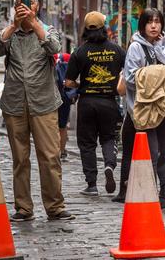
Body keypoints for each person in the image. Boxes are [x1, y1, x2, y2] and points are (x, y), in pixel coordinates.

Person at [0, 0, 74, 221]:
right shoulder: (10, 34)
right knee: (20, 159)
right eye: (19, 4)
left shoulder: (47, 30)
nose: (23, 7)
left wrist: (35, 24)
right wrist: (13, 25)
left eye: (28, 4)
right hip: (15, 104)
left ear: (36, 7)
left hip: (44, 104)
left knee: (49, 157)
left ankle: (55, 207)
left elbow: (55, 48)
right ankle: (23, 208)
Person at [114, 8, 165, 208]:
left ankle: (160, 187)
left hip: (164, 107)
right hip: (143, 108)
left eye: (157, 22)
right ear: (143, 25)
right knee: (151, 152)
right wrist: (156, 74)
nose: (154, 26)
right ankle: (157, 191)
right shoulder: (136, 47)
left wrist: (161, 53)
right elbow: (129, 78)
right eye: (149, 22)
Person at [64, 11, 126, 196]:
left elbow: (68, 82)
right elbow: (129, 71)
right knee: (108, 138)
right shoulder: (116, 50)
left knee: (87, 144)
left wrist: (80, 84)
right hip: (109, 101)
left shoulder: (80, 52)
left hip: (87, 102)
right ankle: (109, 165)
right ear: (104, 28)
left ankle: (91, 184)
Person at [53, 52, 72, 162]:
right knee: (62, 125)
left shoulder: (49, 56)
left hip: (50, 96)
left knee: (51, 125)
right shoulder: (67, 56)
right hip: (64, 96)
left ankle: (53, 151)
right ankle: (62, 150)